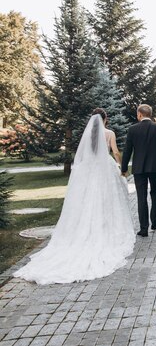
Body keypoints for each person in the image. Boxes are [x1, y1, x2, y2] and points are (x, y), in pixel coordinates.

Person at [14, 109, 135, 284]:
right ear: (105, 120)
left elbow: (83, 157)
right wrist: (120, 165)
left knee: (88, 200)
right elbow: (115, 152)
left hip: (89, 171)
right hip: (104, 170)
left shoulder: (88, 136)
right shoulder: (109, 133)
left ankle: (85, 228)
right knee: (105, 200)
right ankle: (104, 228)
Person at [121, 104, 156, 237]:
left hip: (139, 168)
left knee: (141, 197)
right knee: (155, 193)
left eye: (137, 114)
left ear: (140, 114)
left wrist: (124, 168)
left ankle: (143, 229)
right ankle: (155, 223)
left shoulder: (132, 129)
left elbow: (127, 151)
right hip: (155, 167)